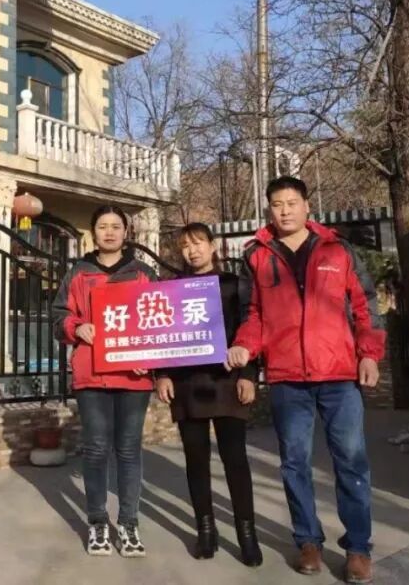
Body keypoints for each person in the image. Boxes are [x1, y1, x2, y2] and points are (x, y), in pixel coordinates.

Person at [227, 177, 385, 584]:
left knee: (350, 460)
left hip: (338, 374)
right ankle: (308, 541)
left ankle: (358, 548)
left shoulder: (337, 249)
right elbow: (252, 314)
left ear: (307, 206)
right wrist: (245, 346)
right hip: (287, 378)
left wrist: (369, 353)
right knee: (294, 463)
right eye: (277, 204)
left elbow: (365, 305)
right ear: (269, 209)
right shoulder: (256, 256)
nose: (285, 210)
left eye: (292, 202)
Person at [155, 223, 264, 566]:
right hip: (187, 384)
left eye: (199, 243)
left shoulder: (233, 284)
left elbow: (250, 328)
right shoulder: (172, 289)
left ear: (213, 245)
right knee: (196, 459)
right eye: (186, 245)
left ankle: (247, 534)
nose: (193, 251)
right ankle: (205, 530)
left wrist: (249, 375)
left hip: (227, 381)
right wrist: (162, 374)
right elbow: (161, 334)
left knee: (235, 459)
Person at [53, 205, 158, 558]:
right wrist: (75, 326)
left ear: (126, 233)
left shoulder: (143, 274)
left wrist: (151, 360)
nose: (109, 232)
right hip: (92, 375)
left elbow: (160, 321)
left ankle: (129, 523)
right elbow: (58, 317)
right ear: (93, 232)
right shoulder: (78, 273)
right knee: (96, 449)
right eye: (102, 226)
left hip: (133, 376)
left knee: (129, 450)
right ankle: (97, 522)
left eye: (116, 226)